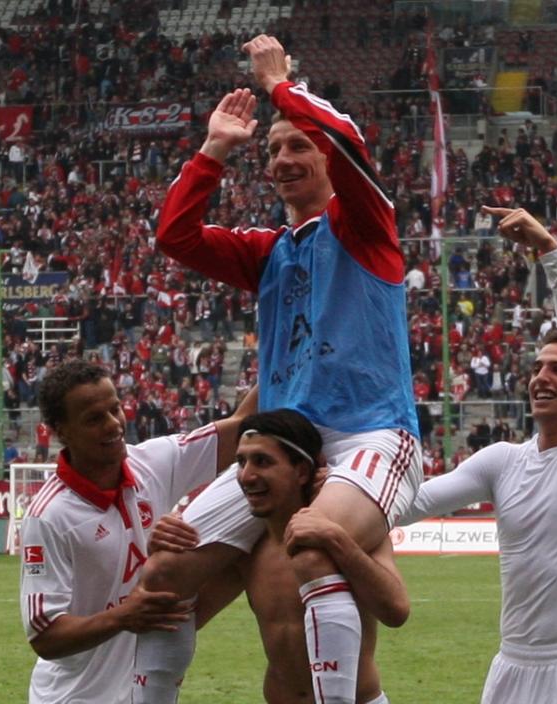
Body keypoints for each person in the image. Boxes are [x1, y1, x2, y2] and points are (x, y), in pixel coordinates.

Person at [143, 34, 421, 704]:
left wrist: (279, 86)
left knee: (309, 539)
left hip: (371, 437)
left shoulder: (365, 227)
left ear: (327, 157)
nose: (283, 158)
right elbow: (174, 236)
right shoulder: (269, 252)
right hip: (284, 450)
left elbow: (349, 142)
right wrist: (214, 150)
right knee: (162, 577)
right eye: (273, 149)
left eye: (299, 145)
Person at [398, 206, 557, 703]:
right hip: (510, 667)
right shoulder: (501, 461)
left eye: (556, 369)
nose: (540, 377)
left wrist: (550, 253)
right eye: (536, 368)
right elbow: (412, 504)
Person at [19, 359, 256, 703]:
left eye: (115, 408)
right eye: (94, 419)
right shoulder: (50, 517)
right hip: (75, 696)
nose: (114, 424)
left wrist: (291, 352)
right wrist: (124, 616)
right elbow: (45, 637)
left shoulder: (151, 461)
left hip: (144, 689)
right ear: (61, 431)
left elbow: (242, 429)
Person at [149, 410, 407, 704]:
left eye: (263, 461)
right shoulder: (246, 550)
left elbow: (396, 610)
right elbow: (184, 616)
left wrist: (337, 542)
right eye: (241, 461)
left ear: (300, 471)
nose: (246, 475)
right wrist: (160, 550)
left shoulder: (352, 528)